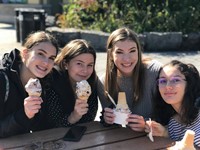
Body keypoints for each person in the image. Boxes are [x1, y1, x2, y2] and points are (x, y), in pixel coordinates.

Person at [100, 27, 162, 131]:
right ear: (111, 54)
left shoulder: (155, 72)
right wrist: (107, 120)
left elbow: (171, 115)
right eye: (119, 52)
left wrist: (147, 124)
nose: (127, 59)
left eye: (132, 51)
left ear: (138, 51)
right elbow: (115, 127)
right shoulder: (103, 82)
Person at [0, 31, 59, 137]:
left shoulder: (43, 83)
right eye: (41, 54)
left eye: (51, 58)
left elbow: (38, 127)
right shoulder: (2, 79)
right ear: (25, 54)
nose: (46, 62)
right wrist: (25, 114)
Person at [46, 39, 101, 127]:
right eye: (79, 64)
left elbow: (89, 118)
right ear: (65, 64)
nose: (85, 70)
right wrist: (74, 116)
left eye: (90, 65)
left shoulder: (91, 82)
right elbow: (53, 124)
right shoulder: (53, 82)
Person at [145, 60, 200, 147]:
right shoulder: (173, 124)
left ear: (189, 84)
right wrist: (164, 133)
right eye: (163, 81)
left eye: (175, 80)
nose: (168, 86)